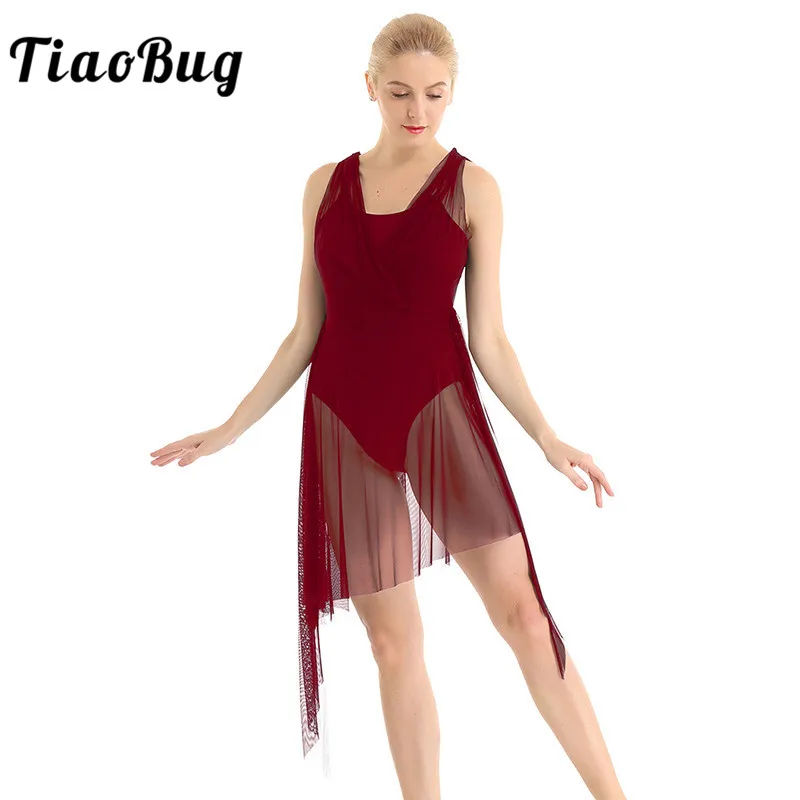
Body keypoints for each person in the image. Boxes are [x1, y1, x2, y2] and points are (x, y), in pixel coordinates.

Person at [150, 12, 623, 799]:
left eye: (435, 94)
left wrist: (547, 435)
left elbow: (490, 337)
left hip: (439, 412)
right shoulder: (324, 186)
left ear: (453, 93)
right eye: (400, 92)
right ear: (369, 86)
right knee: (392, 646)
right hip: (343, 419)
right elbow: (305, 329)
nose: (417, 109)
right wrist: (230, 428)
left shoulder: (473, 187)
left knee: (524, 616)